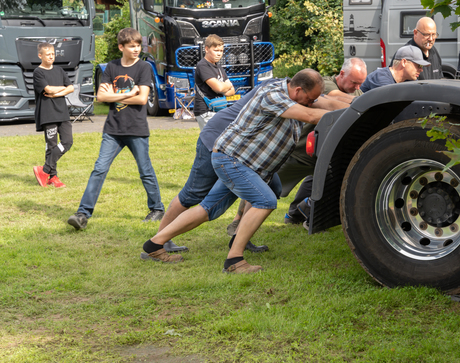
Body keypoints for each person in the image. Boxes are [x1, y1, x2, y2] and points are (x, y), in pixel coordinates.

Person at [140, 69, 330, 273]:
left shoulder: (293, 96)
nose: (311, 103)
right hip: (233, 159)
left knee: (209, 208)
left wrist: (354, 108)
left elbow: (326, 104)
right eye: (310, 99)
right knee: (263, 200)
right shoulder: (273, 94)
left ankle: (154, 245)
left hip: (246, 162)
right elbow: (311, 115)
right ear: (298, 90)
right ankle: (234, 260)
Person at [150, 79, 281, 255]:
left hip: (240, 149)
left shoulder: (285, 89)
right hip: (216, 140)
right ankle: (160, 240)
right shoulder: (276, 92)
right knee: (193, 194)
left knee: (265, 185)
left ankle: (239, 235)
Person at [67, 28, 164, 230]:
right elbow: (101, 98)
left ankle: (157, 209)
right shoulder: (111, 67)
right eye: (132, 46)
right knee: (99, 169)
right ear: (121, 47)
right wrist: (130, 91)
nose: (136, 49)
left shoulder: (144, 67)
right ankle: (83, 214)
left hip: (136, 129)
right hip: (113, 130)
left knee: (145, 171)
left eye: (138, 45)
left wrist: (116, 94)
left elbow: (142, 99)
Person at [283, 58, 364, 225]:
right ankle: (239, 222)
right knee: (265, 185)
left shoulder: (357, 91)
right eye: (354, 82)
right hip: (298, 150)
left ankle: (299, 213)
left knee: (321, 178)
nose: (357, 88)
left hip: (323, 152)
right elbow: (333, 97)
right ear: (341, 74)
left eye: (360, 84)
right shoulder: (324, 85)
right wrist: (361, 105)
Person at [32, 42, 74, 188]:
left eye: (53, 54)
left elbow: (71, 88)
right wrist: (61, 89)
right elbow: (48, 89)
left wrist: (58, 92)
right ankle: (53, 177)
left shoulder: (60, 70)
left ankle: (44, 169)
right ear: (40, 55)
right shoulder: (38, 72)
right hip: (47, 114)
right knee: (51, 146)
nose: (51, 56)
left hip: (62, 113)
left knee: (67, 142)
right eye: (48, 54)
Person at [193, 34, 235, 129]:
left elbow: (232, 90)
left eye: (221, 51)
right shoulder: (203, 66)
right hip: (206, 111)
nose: (219, 53)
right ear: (207, 49)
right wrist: (225, 86)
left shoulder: (219, 67)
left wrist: (223, 87)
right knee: (211, 141)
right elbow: (218, 88)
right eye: (216, 50)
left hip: (218, 109)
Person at [360, 46, 429, 93]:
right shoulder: (381, 78)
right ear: (404, 62)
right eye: (418, 65)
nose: (421, 69)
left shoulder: (409, 80)